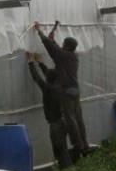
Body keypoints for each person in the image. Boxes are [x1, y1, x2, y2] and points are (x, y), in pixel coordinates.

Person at [33, 21, 90, 160]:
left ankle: (79, 146)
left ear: (67, 46)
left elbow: (52, 49)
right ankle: (85, 144)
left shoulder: (64, 56)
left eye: (64, 43)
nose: (62, 45)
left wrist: (39, 31)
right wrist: (54, 40)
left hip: (67, 92)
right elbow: (58, 50)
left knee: (71, 120)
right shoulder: (73, 56)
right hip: (75, 91)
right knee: (79, 118)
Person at [27, 52, 73, 169]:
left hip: (56, 125)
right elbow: (49, 74)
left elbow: (36, 77)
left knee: (59, 151)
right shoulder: (58, 86)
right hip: (63, 122)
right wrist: (40, 62)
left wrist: (30, 62)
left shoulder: (48, 89)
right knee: (63, 149)